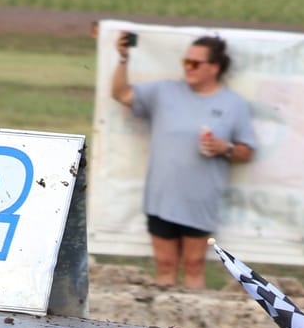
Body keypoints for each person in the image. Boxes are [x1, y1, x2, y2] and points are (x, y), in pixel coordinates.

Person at [110, 32, 256, 288]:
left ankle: (191, 315)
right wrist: (123, 58)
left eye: (195, 63)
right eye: (186, 61)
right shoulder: (164, 91)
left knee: (193, 265)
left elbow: (247, 151)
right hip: (161, 197)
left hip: (200, 200)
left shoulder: (234, 104)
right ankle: (162, 314)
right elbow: (121, 94)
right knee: (165, 266)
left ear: (214, 68)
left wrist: (225, 148)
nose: (188, 68)